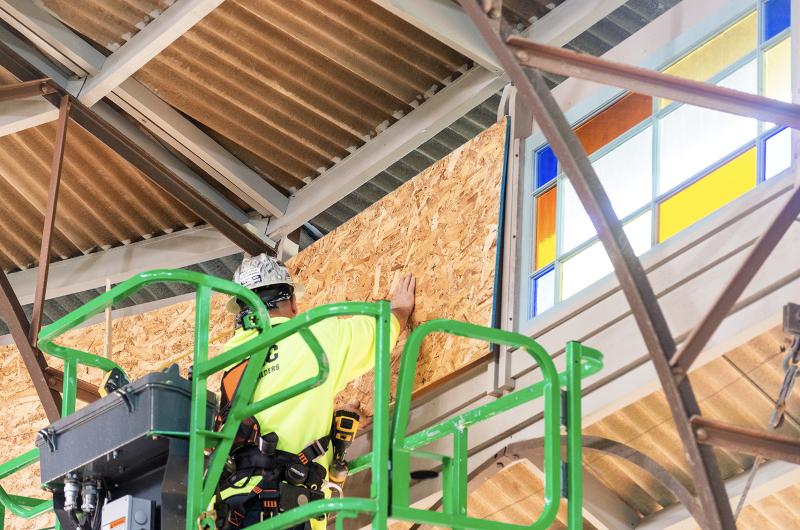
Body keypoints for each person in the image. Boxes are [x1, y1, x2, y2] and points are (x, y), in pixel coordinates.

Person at [214, 254, 415, 529]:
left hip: (233, 511)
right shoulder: (316, 337)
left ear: (240, 314)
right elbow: (381, 331)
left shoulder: (229, 367)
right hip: (286, 513)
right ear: (293, 302)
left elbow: (269, 427)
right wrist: (400, 309)